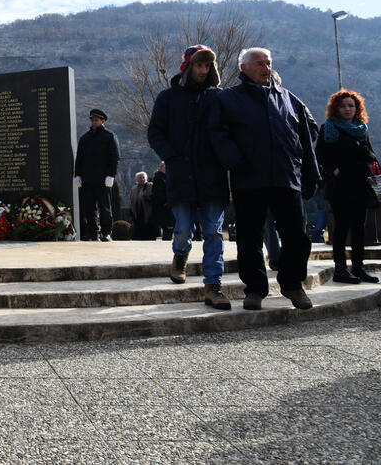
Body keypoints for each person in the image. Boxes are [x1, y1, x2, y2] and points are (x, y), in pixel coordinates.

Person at [209, 47, 320, 310]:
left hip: (285, 177)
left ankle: (293, 284)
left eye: (268, 63)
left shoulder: (288, 98)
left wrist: (307, 170)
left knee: (297, 235)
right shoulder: (228, 98)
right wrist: (235, 160)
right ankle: (255, 290)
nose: (265, 67)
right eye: (259, 63)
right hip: (249, 180)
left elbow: (307, 134)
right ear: (244, 68)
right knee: (250, 238)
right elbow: (216, 134)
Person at [148, 45, 231, 310]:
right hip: (181, 174)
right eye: (199, 65)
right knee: (183, 228)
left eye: (208, 66)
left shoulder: (220, 97)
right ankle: (180, 255)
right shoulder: (167, 98)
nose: (204, 70)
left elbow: (231, 130)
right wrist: (171, 157)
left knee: (214, 232)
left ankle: (213, 286)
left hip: (213, 176)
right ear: (188, 66)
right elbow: (155, 132)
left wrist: (227, 157)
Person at [315, 89, 379, 284]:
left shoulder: (362, 128)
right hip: (340, 185)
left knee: (359, 227)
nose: (347, 109)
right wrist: (334, 170)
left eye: (351, 105)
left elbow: (370, 153)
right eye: (343, 106)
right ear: (336, 108)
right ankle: (340, 269)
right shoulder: (329, 128)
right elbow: (321, 154)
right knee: (342, 227)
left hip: (360, 183)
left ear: (357, 107)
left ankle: (358, 268)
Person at [74, 108, 120, 241]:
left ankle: (106, 232)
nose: (94, 122)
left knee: (105, 207)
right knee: (89, 208)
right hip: (87, 179)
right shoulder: (85, 138)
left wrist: (111, 175)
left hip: (103, 179)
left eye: (96, 120)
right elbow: (80, 159)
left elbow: (115, 157)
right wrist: (78, 175)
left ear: (103, 121)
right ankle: (92, 232)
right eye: (92, 120)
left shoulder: (110, 136)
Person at [128, 171, 157, 240]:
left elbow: (155, 198)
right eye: (140, 178)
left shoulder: (151, 186)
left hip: (149, 213)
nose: (142, 179)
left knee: (149, 234)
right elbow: (131, 202)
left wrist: (147, 198)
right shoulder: (134, 189)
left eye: (143, 177)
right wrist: (131, 214)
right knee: (138, 233)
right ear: (137, 179)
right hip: (137, 213)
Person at [150, 161, 175, 240]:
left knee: (169, 228)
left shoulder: (169, 177)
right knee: (166, 227)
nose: (166, 169)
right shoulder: (158, 178)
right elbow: (157, 193)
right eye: (164, 167)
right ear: (160, 168)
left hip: (168, 206)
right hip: (162, 207)